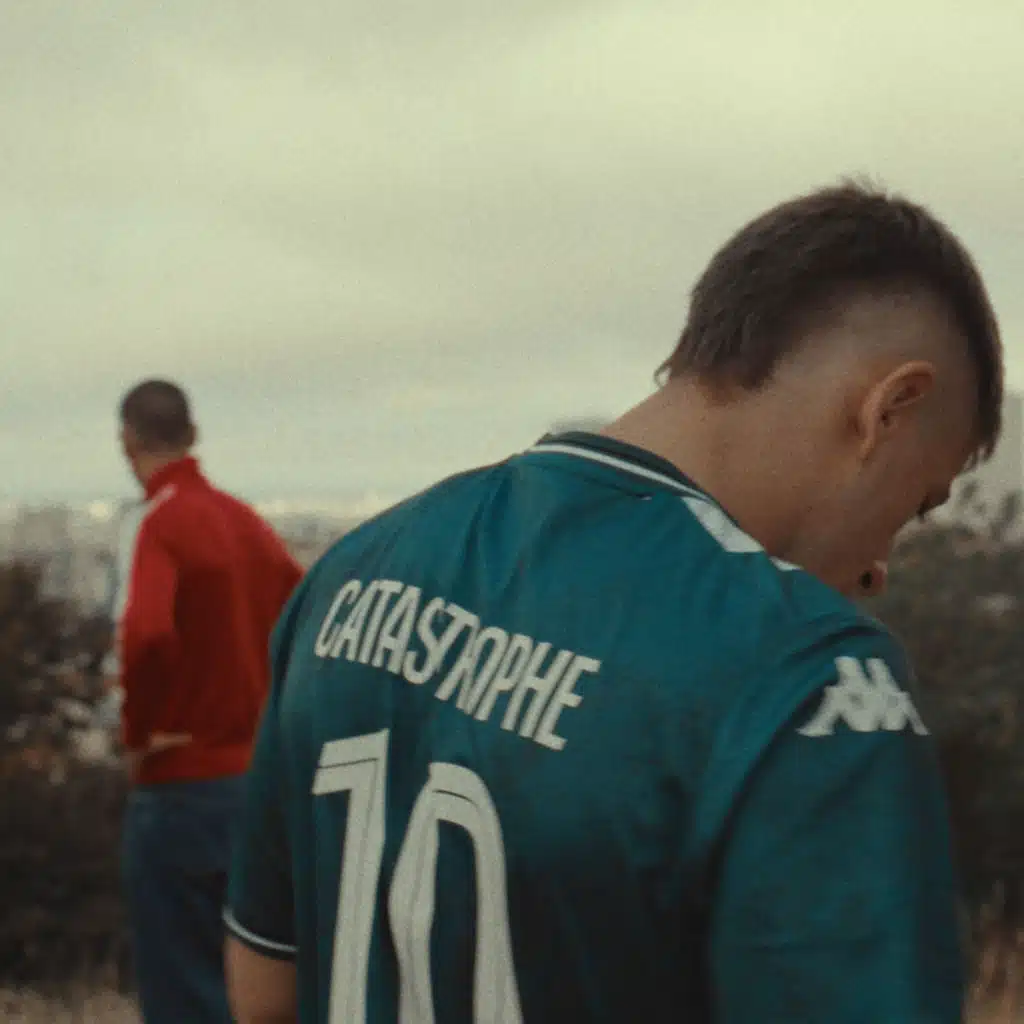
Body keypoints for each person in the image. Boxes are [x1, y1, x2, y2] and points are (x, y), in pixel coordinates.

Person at [224, 183, 1002, 1023]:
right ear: (891, 407)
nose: (880, 570)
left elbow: (263, 994)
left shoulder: (353, 572)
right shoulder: (808, 674)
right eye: (917, 504)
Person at [112, 379, 303, 1023]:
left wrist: (139, 735)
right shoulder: (246, 522)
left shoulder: (158, 522)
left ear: (127, 441)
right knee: (258, 990)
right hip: (257, 783)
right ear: (192, 435)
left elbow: (146, 634)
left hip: (182, 785)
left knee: (182, 989)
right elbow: (301, 617)